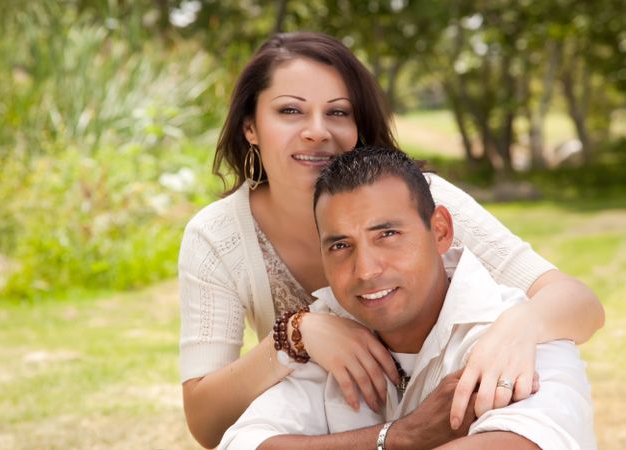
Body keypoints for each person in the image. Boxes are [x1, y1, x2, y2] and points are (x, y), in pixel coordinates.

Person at [177, 32, 603, 448]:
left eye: (338, 113)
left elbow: (577, 302)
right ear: (250, 127)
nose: (317, 131)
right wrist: (295, 338)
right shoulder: (218, 237)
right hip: (329, 417)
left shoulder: (422, 197)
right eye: (290, 111)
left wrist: (521, 325)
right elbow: (211, 428)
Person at [219, 146, 596, 450]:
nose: (365, 270)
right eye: (340, 245)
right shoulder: (331, 334)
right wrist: (401, 437)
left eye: (387, 235)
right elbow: (246, 442)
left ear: (441, 232)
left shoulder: (519, 339)